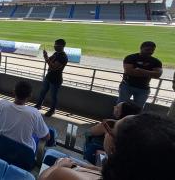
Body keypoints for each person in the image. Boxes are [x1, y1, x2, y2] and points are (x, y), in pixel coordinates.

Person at [39, 113, 175, 180]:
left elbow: (42, 179)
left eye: (112, 129)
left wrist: (59, 165)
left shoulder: (64, 175)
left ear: (115, 149)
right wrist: (95, 168)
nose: (107, 129)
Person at [0, 81, 50, 152]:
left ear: (14, 91)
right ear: (30, 96)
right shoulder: (34, 113)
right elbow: (46, 137)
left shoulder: (1, 104)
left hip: (2, 150)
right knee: (38, 135)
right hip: (24, 157)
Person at [117, 41, 162, 108]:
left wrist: (140, 70)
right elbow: (129, 71)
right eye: (147, 50)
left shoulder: (156, 62)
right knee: (121, 106)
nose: (150, 52)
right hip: (127, 85)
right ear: (141, 48)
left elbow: (158, 75)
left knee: (138, 108)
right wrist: (150, 73)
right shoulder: (131, 58)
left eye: (152, 50)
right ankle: (118, 118)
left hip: (143, 88)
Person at [35, 39, 68, 117]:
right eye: (55, 44)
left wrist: (46, 57)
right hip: (49, 77)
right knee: (42, 92)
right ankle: (38, 105)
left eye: (56, 45)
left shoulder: (63, 57)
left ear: (62, 46)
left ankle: (52, 110)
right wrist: (46, 56)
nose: (54, 46)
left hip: (56, 79)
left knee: (53, 96)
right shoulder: (56, 53)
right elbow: (49, 60)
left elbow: (53, 67)